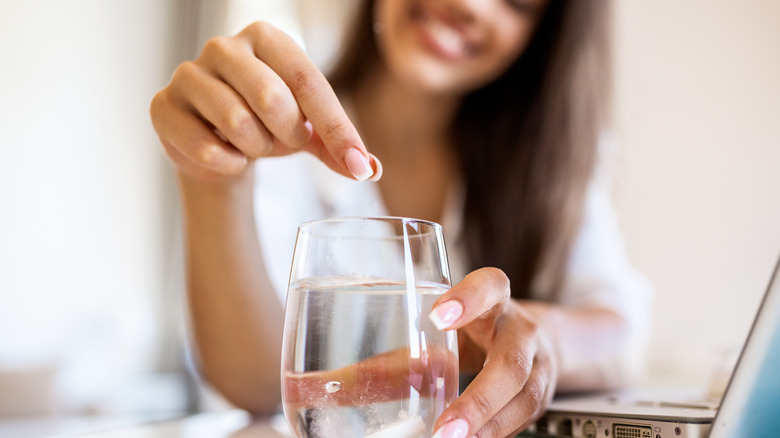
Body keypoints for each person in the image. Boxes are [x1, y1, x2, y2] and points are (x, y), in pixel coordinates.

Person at [150, 0, 651, 436]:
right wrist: (212, 180)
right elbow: (260, 385)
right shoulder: (273, 118)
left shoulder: (550, 157)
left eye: (518, 1)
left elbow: (623, 333)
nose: (471, 4)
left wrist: (538, 341)